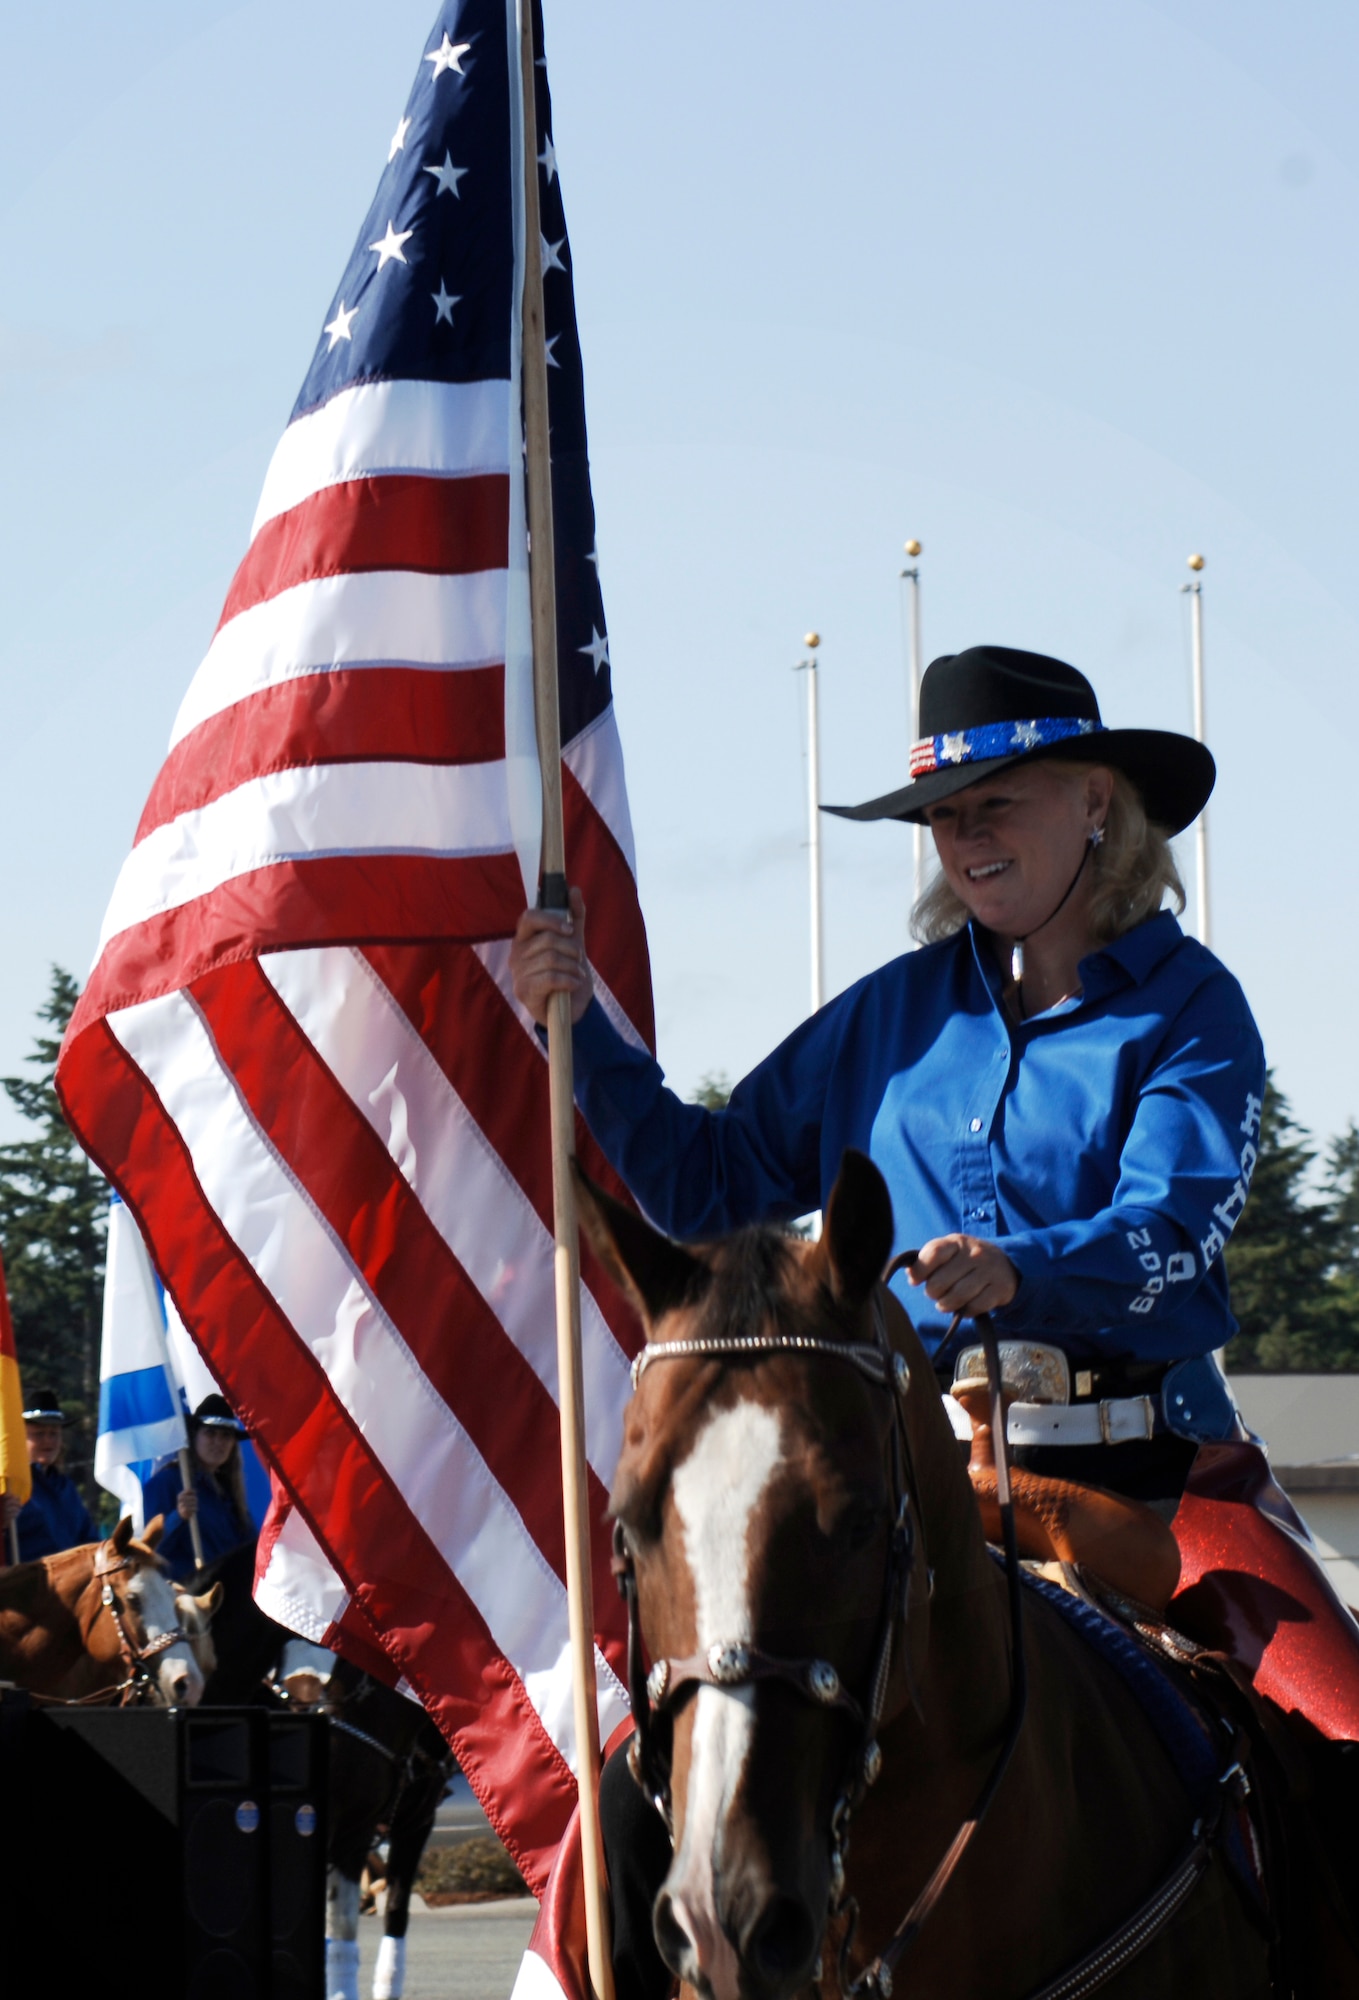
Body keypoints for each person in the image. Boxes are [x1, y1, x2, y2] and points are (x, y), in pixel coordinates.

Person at [510, 643, 1286, 2000]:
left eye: (998, 803)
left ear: (1094, 800)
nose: (962, 840)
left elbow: (1175, 1235)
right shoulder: (887, 1013)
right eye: (942, 815)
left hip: (1151, 1478)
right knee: (651, 1777)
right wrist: (583, 1029)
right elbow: (705, 1181)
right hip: (904, 1483)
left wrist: (1022, 1269)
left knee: (1329, 1724)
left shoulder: (1189, 1012)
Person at [141, 1394, 256, 1581]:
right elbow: (151, 1550)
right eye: (210, 1433)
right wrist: (179, 1517)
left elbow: (249, 1547)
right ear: (194, 1436)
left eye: (226, 1435)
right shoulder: (165, 1482)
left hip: (227, 1594)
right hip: (185, 1597)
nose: (218, 1442)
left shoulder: (229, 1492)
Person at [2, 1388, 98, 1562]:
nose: (48, 1441)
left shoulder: (65, 1486)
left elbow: (90, 1540)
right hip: (23, 1584)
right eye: (39, 1434)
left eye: (54, 1434)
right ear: (19, 1438)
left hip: (71, 1583)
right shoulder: (8, 1485)